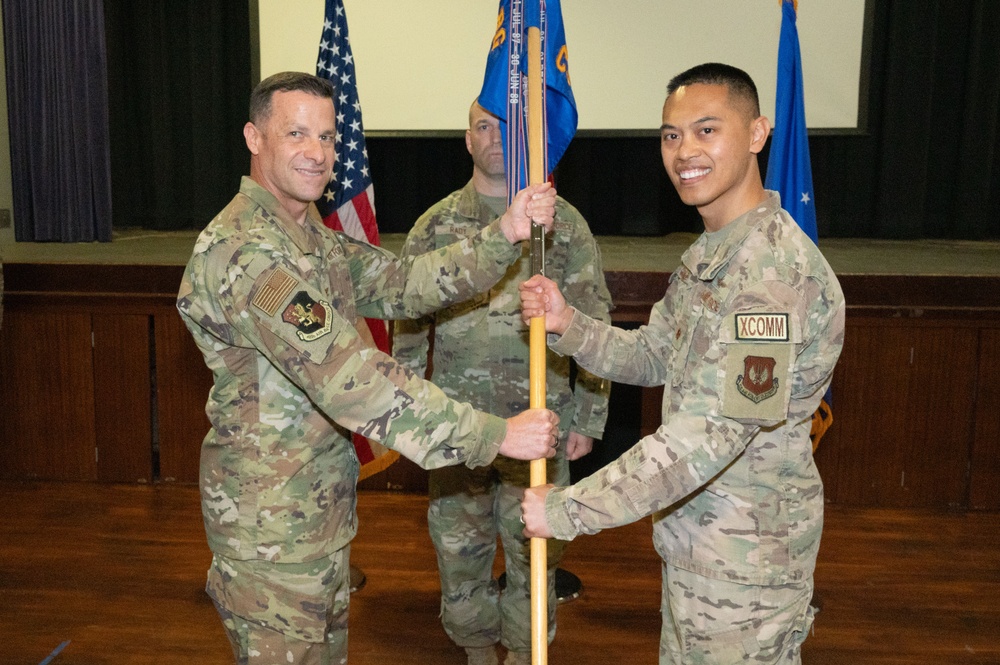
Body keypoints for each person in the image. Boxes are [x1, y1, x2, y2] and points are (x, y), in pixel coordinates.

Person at [177, 71, 563, 665]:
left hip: (315, 517)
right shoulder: (248, 253)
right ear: (255, 138)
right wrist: (494, 434)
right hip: (273, 533)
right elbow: (351, 379)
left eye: (328, 137)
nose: (318, 152)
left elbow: (405, 284)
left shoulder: (310, 238)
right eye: (297, 134)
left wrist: (504, 233)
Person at [519, 63, 845, 664]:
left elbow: (712, 436)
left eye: (706, 130)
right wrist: (570, 326)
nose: (684, 151)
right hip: (698, 545)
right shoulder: (709, 254)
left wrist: (570, 509)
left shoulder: (772, 274)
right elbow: (654, 354)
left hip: (745, 570)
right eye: (671, 135)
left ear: (756, 134)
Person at [393, 101, 612, 665]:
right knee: (458, 548)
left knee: (535, 550)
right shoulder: (435, 226)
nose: (494, 139)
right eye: (483, 128)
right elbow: (410, 321)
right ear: (467, 139)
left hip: (540, 422)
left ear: (525, 140)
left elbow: (593, 318)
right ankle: (474, 646)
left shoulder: (564, 224)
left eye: (506, 128)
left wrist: (588, 417)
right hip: (457, 427)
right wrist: (407, 412)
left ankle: (524, 648)